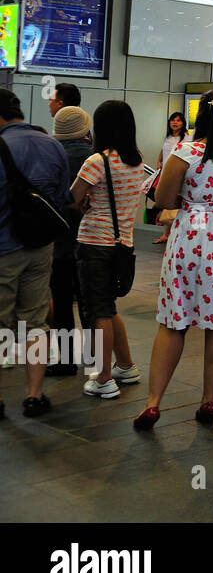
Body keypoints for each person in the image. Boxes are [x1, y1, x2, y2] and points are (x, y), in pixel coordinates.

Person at [134, 89, 213, 430]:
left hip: (189, 237)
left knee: (173, 321)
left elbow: (164, 198)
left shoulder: (186, 152)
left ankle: (153, 404)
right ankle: (209, 398)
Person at [0, 89, 71, 419]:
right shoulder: (52, 144)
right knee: (35, 322)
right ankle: (33, 395)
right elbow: (61, 198)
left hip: (3, 249)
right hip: (41, 249)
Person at [72, 101, 146, 399]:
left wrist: (85, 200)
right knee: (107, 306)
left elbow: (73, 198)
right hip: (122, 244)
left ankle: (103, 378)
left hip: (94, 244)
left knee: (98, 310)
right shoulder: (136, 159)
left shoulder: (97, 161)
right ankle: (125, 365)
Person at [47, 106, 93, 376]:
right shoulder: (94, 157)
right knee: (92, 303)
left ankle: (65, 361)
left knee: (62, 303)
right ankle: (93, 357)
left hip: (59, 239)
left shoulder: (51, 154)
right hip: (89, 238)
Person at [152, 112, 188, 243]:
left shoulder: (186, 138)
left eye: (178, 120)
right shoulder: (167, 137)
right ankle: (166, 234)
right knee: (166, 202)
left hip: (179, 175)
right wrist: (159, 161)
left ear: (183, 123)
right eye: (173, 120)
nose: (175, 122)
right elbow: (163, 151)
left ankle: (176, 234)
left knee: (175, 204)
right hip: (165, 174)